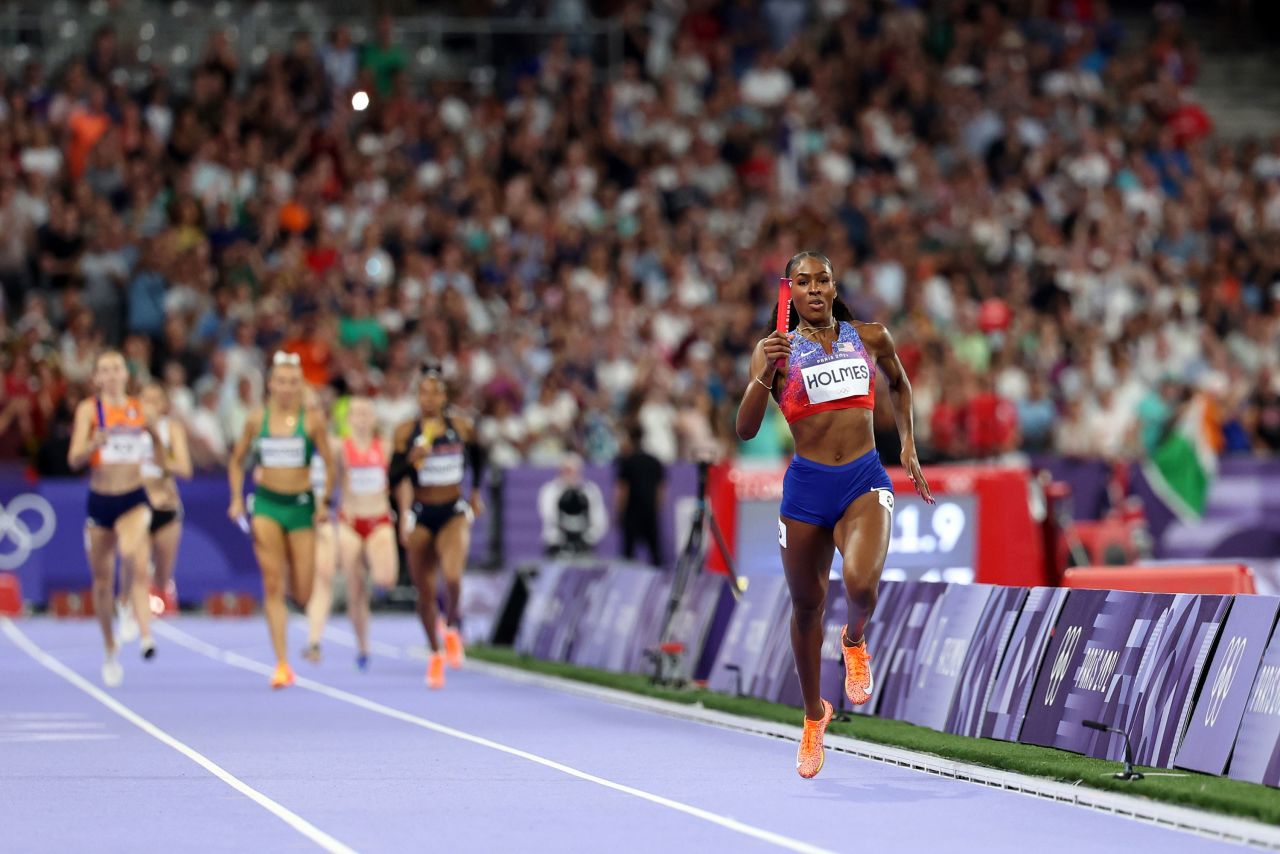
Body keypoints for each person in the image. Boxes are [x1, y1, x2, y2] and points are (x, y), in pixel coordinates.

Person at [735, 251, 933, 779]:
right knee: (806, 607)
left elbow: (899, 382)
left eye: (823, 279)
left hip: (863, 480)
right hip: (806, 490)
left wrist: (908, 444)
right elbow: (745, 430)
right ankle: (811, 715)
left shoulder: (869, 336)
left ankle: (853, 641)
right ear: (791, 292)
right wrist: (763, 374)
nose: (815, 289)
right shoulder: (775, 350)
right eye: (804, 282)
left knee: (861, 585)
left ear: (833, 285)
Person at [226, 351, 336, 689]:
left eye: (293, 382)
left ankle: (292, 577)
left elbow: (330, 465)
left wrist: (323, 501)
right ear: (271, 384)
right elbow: (236, 461)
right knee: (272, 584)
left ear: (299, 385)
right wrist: (235, 499)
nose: (286, 388)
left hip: (301, 506)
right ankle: (282, 663)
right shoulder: (256, 419)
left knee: (302, 592)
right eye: (281, 381)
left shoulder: (312, 419)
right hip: (267, 505)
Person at [67, 351, 169, 686]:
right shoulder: (88, 410)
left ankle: (134, 616)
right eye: (104, 371)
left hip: (133, 497)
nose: (111, 375)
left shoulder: (142, 410)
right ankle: (110, 646)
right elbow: (74, 459)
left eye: (116, 369)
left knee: (132, 554)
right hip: (100, 500)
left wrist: (158, 448)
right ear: (96, 378)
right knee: (101, 582)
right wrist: (91, 443)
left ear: (126, 374)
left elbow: (162, 452)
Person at [389, 368, 485, 689]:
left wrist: (475, 493)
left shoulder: (461, 427)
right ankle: (434, 653)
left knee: (453, 576)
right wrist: (410, 458)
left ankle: (453, 623)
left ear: (445, 397)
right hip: (421, 511)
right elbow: (391, 476)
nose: (429, 399)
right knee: (425, 590)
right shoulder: (406, 431)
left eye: (435, 392)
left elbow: (479, 457)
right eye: (423, 392)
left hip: (452, 511)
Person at [307, 396, 397, 669]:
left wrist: (405, 513)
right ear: (348, 420)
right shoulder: (340, 447)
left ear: (374, 418)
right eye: (356, 414)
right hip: (349, 522)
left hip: (379, 520)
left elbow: (404, 474)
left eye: (366, 414)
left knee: (386, 579)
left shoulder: (386, 447)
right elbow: (317, 438)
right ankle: (363, 647)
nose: (361, 419)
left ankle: (376, 572)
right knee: (355, 590)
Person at [134, 381, 192, 620]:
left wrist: (159, 454)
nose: (150, 405)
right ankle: (137, 615)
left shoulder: (172, 429)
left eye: (156, 400)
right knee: (138, 568)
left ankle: (160, 597)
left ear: (164, 405)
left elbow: (185, 469)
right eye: (145, 399)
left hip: (166, 505)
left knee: (162, 577)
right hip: (137, 506)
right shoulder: (128, 429)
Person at [538, 453, 608, 556]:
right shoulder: (550, 491)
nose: (568, 474)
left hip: (585, 547)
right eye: (565, 470)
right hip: (556, 547)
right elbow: (548, 516)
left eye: (571, 471)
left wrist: (588, 537)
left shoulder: (590, 491)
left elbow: (599, 518)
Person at [614, 425, 665, 565]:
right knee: (655, 554)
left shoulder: (627, 462)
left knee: (628, 553)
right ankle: (661, 582)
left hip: (632, 512)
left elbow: (623, 490)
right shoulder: (654, 461)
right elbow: (660, 491)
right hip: (649, 511)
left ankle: (624, 582)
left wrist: (619, 512)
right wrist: (656, 509)